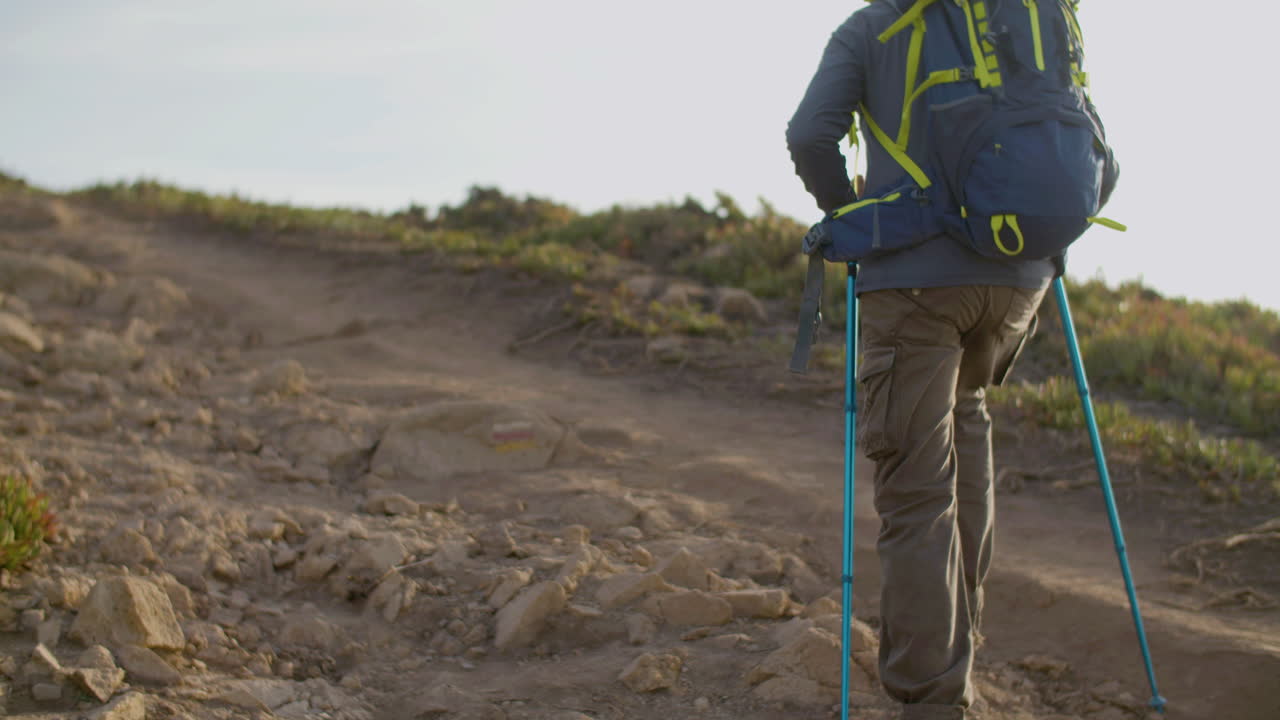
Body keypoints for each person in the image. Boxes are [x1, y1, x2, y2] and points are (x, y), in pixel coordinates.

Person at [786, 2, 1050, 719]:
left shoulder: (873, 26)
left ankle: (934, 699)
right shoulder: (1020, 16)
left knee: (917, 489)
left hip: (915, 278)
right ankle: (959, 645)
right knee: (968, 416)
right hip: (1019, 273)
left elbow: (810, 135)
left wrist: (849, 215)